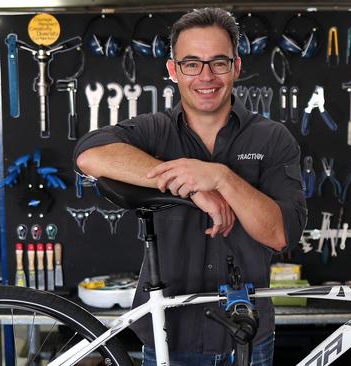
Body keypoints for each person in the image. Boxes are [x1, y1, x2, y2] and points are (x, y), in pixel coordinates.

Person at [74, 7, 307, 366]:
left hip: (246, 338)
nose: (206, 76)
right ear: (173, 70)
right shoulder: (153, 132)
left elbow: (280, 235)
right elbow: (90, 156)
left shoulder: (273, 138)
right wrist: (194, 189)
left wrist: (221, 177)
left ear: (237, 67)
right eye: (192, 63)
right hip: (169, 334)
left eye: (218, 62)